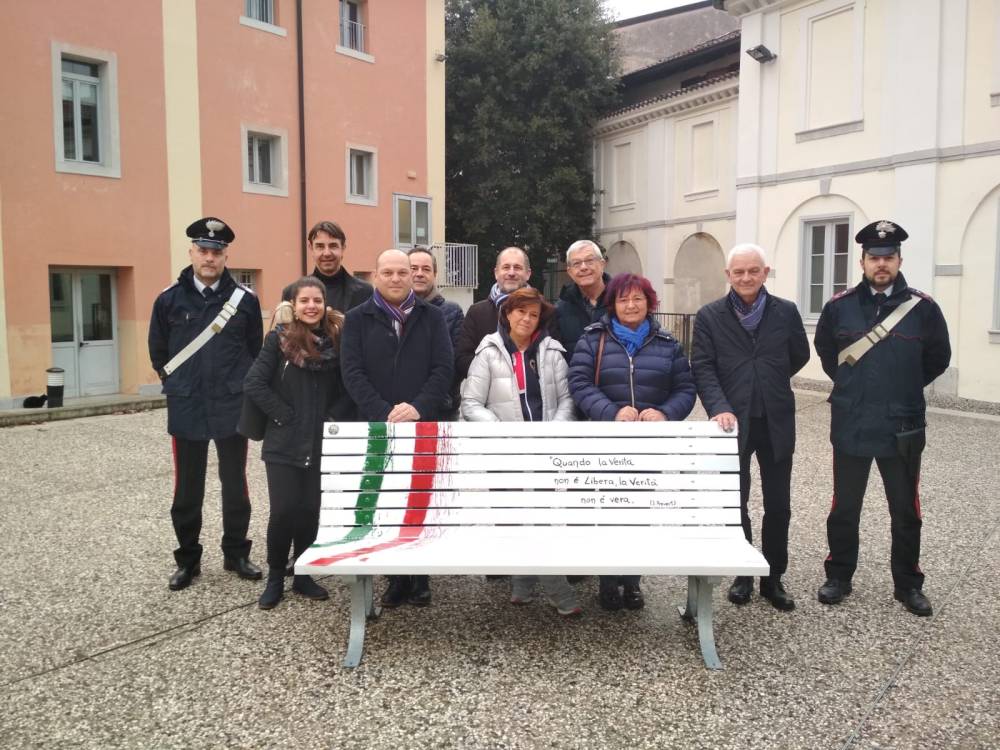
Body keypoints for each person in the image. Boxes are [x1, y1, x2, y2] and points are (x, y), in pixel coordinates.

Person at [814, 220, 951, 617]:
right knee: (844, 508)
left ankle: (908, 584)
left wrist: (902, 387)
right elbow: (828, 354)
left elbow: (938, 358)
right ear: (862, 262)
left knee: (905, 511)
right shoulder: (839, 307)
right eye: (874, 258)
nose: (881, 264)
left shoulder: (923, 309)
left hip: (902, 425)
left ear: (899, 261)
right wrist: (854, 387)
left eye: (888, 257)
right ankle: (839, 575)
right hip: (852, 422)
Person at [691, 243, 810, 611]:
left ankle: (773, 577)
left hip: (776, 419)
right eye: (739, 272)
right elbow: (703, 367)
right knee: (735, 502)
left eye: (753, 270)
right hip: (732, 422)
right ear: (728, 275)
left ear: (765, 272)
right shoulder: (709, 316)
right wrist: (720, 406)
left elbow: (799, 354)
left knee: (778, 504)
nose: (746, 277)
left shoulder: (786, 312)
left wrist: (767, 379)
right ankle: (743, 572)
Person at [568, 273, 696, 610]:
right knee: (607, 513)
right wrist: (611, 412)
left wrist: (665, 413)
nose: (630, 305)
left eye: (638, 298)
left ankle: (633, 581)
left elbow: (685, 388)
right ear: (612, 304)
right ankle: (609, 581)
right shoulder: (593, 339)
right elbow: (579, 383)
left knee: (639, 514)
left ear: (649, 302)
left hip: (648, 446)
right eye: (623, 299)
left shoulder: (667, 343)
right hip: (605, 443)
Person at [149, 217, 263, 591]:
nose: (209, 257)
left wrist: (239, 387)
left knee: (235, 485)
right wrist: (179, 384)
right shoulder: (168, 299)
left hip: (232, 404)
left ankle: (236, 553)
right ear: (191, 253)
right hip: (187, 405)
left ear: (225, 255)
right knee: (187, 489)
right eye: (203, 250)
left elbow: (255, 351)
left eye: (216, 251)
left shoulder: (245, 301)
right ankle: (188, 560)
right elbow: (159, 352)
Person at [341, 249, 455, 608]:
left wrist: (418, 407)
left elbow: (443, 368)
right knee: (387, 504)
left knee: (419, 501)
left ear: (411, 276)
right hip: (377, 426)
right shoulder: (357, 319)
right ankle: (394, 578)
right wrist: (383, 412)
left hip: (421, 425)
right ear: (376, 276)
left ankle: (420, 577)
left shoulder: (432, 317)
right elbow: (352, 372)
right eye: (388, 272)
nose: (395, 278)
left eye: (402, 272)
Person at [461, 288, 581, 616]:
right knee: (516, 520)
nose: (526, 319)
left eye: (533, 314)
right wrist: (503, 433)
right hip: (506, 454)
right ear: (507, 314)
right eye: (520, 312)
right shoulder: (488, 352)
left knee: (543, 521)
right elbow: (471, 403)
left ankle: (523, 584)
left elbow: (568, 400)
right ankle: (557, 592)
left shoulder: (552, 352)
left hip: (545, 451)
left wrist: (552, 432)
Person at [243, 277, 350, 610]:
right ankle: (276, 577)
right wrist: (283, 416)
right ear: (293, 304)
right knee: (284, 512)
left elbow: (347, 386)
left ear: (325, 304)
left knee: (310, 512)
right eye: (304, 300)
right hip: (284, 443)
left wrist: (332, 416)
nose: (311, 306)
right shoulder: (279, 339)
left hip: (320, 442)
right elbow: (254, 383)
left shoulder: (337, 341)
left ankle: (303, 574)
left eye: (317, 300)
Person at [454, 246, 532, 381]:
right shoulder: (476, 312)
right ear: (496, 273)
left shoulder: (543, 311)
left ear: (528, 274)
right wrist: (496, 376)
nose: (511, 273)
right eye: (506, 267)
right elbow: (462, 358)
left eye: (517, 267)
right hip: (487, 389)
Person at [299, 220, 372, 313]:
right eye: (320, 246)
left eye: (333, 246)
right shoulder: (293, 292)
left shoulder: (365, 292)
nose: (327, 253)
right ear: (311, 248)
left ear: (343, 248)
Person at [555, 240, 610, 360]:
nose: (583, 267)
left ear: (602, 264)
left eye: (590, 261)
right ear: (569, 271)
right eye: (576, 263)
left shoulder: (622, 301)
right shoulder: (560, 310)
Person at [408, 246, 464, 349]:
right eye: (413, 268)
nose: (419, 274)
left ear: (435, 275)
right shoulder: (393, 310)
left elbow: (457, 355)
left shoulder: (453, 312)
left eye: (426, 269)